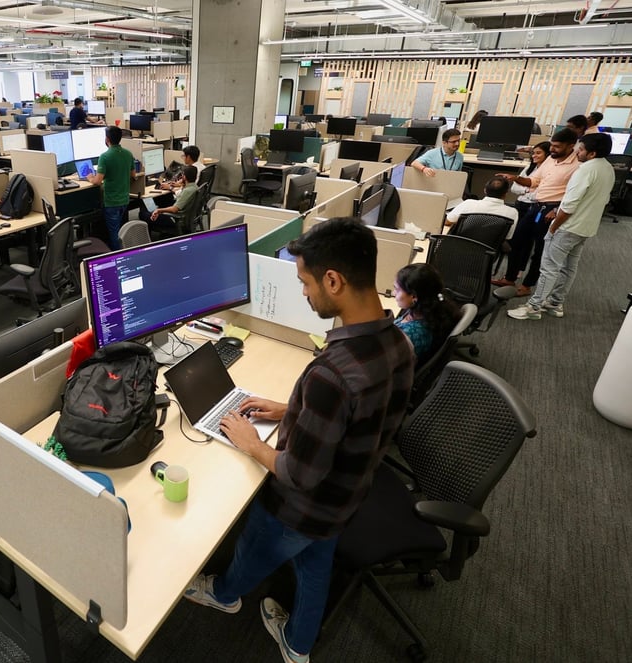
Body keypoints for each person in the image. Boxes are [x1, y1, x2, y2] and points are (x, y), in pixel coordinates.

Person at [183, 217, 414, 663]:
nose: (304, 293)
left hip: (301, 507)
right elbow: (364, 411)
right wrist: (294, 410)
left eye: (306, 282)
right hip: (347, 493)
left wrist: (251, 442)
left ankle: (225, 594)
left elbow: (299, 474)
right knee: (315, 565)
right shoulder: (397, 339)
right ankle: (298, 645)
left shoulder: (332, 372)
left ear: (334, 280)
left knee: (254, 549)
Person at [508, 132, 614, 320]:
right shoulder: (607, 168)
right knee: (568, 268)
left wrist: (553, 227)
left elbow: (569, 204)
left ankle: (533, 308)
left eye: (581, 149)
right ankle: (555, 303)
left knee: (549, 267)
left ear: (591, 153)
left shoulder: (584, 170)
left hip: (568, 226)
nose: (577, 152)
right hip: (586, 228)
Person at [495, 129, 580, 296]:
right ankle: (510, 278)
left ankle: (527, 285)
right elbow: (534, 181)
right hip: (536, 206)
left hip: (552, 209)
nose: (553, 149)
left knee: (540, 250)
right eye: (552, 145)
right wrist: (515, 178)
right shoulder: (551, 160)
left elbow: (575, 194)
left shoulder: (577, 166)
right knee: (516, 242)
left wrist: (557, 210)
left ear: (571, 146)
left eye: (557, 146)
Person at [393, 263, 461, 362]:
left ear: (413, 297)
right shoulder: (435, 308)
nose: (394, 293)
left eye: (397, 289)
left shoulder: (410, 335)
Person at [86, 125, 134, 250]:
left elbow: (97, 181)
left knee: (114, 233)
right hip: (124, 199)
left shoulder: (105, 156)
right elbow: (133, 175)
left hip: (112, 201)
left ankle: (117, 256)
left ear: (107, 139)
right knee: (121, 230)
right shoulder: (128, 154)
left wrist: (90, 177)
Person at [446, 175, 519, 238]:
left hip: (458, 247)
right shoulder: (512, 213)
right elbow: (507, 236)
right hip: (487, 252)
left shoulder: (468, 204)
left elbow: (448, 221)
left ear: (485, 191)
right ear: (506, 194)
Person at [510, 141, 551, 221]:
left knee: (530, 227)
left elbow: (536, 196)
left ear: (547, 154)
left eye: (538, 153)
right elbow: (514, 188)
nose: (534, 156)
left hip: (535, 206)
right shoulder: (530, 167)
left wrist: (524, 188)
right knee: (516, 227)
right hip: (520, 203)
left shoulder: (549, 171)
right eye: (533, 153)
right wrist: (527, 189)